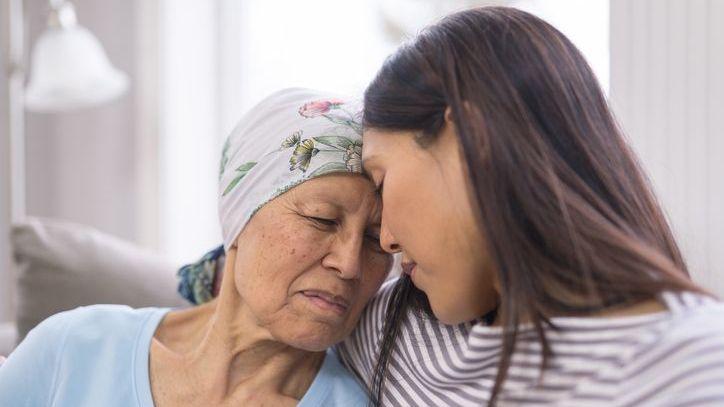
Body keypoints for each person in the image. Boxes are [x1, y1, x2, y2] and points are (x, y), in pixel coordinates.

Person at [186, 7, 724, 407]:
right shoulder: (392, 330)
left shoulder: (694, 367)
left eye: (382, 177)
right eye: (327, 221)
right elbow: (258, 277)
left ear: (470, 140)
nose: (388, 243)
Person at [0, 88, 391, 406]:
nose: (350, 264)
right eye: (322, 219)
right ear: (240, 217)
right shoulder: (74, 350)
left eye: (376, 240)